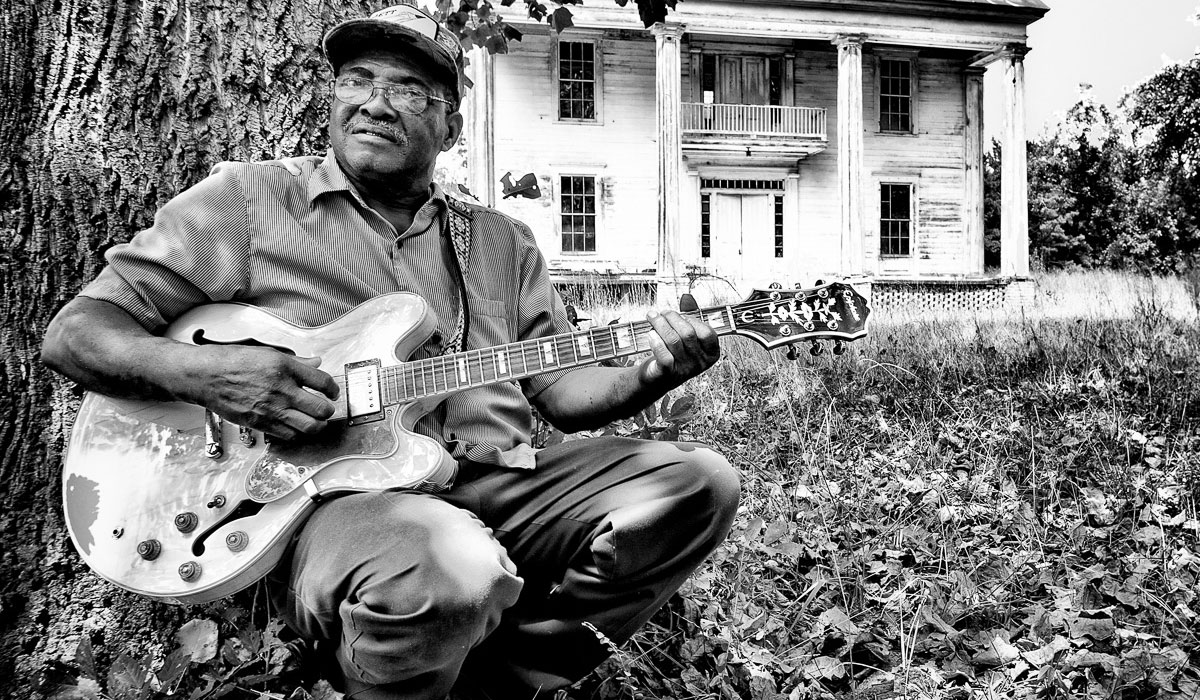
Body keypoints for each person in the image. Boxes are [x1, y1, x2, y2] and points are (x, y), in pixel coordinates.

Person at [40, 3, 740, 698]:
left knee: (697, 484)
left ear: (451, 126)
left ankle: (498, 683)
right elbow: (76, 333)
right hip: (337, 508)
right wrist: (208, 375)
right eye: (356, 80)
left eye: (408, 90)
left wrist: (653, 370)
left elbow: (563, 394)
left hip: (498, 484)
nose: (375, 104)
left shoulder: (501, 242)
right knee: (445, 566)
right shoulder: (251, 200)